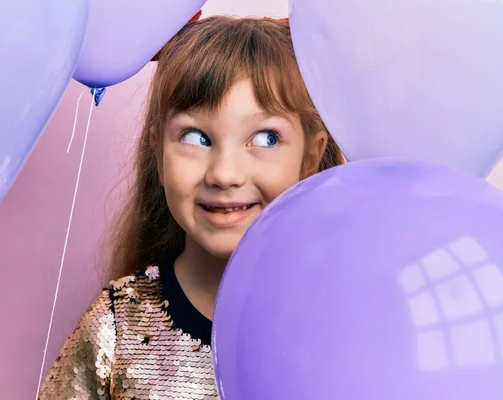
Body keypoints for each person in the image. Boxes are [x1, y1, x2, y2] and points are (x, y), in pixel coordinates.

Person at [38, 13, 344, 400]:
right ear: (158, 153)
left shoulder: (342, 320)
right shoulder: (119, 324)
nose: (224, 173)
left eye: (266, 138)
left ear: (310, 159)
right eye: (196, 137)